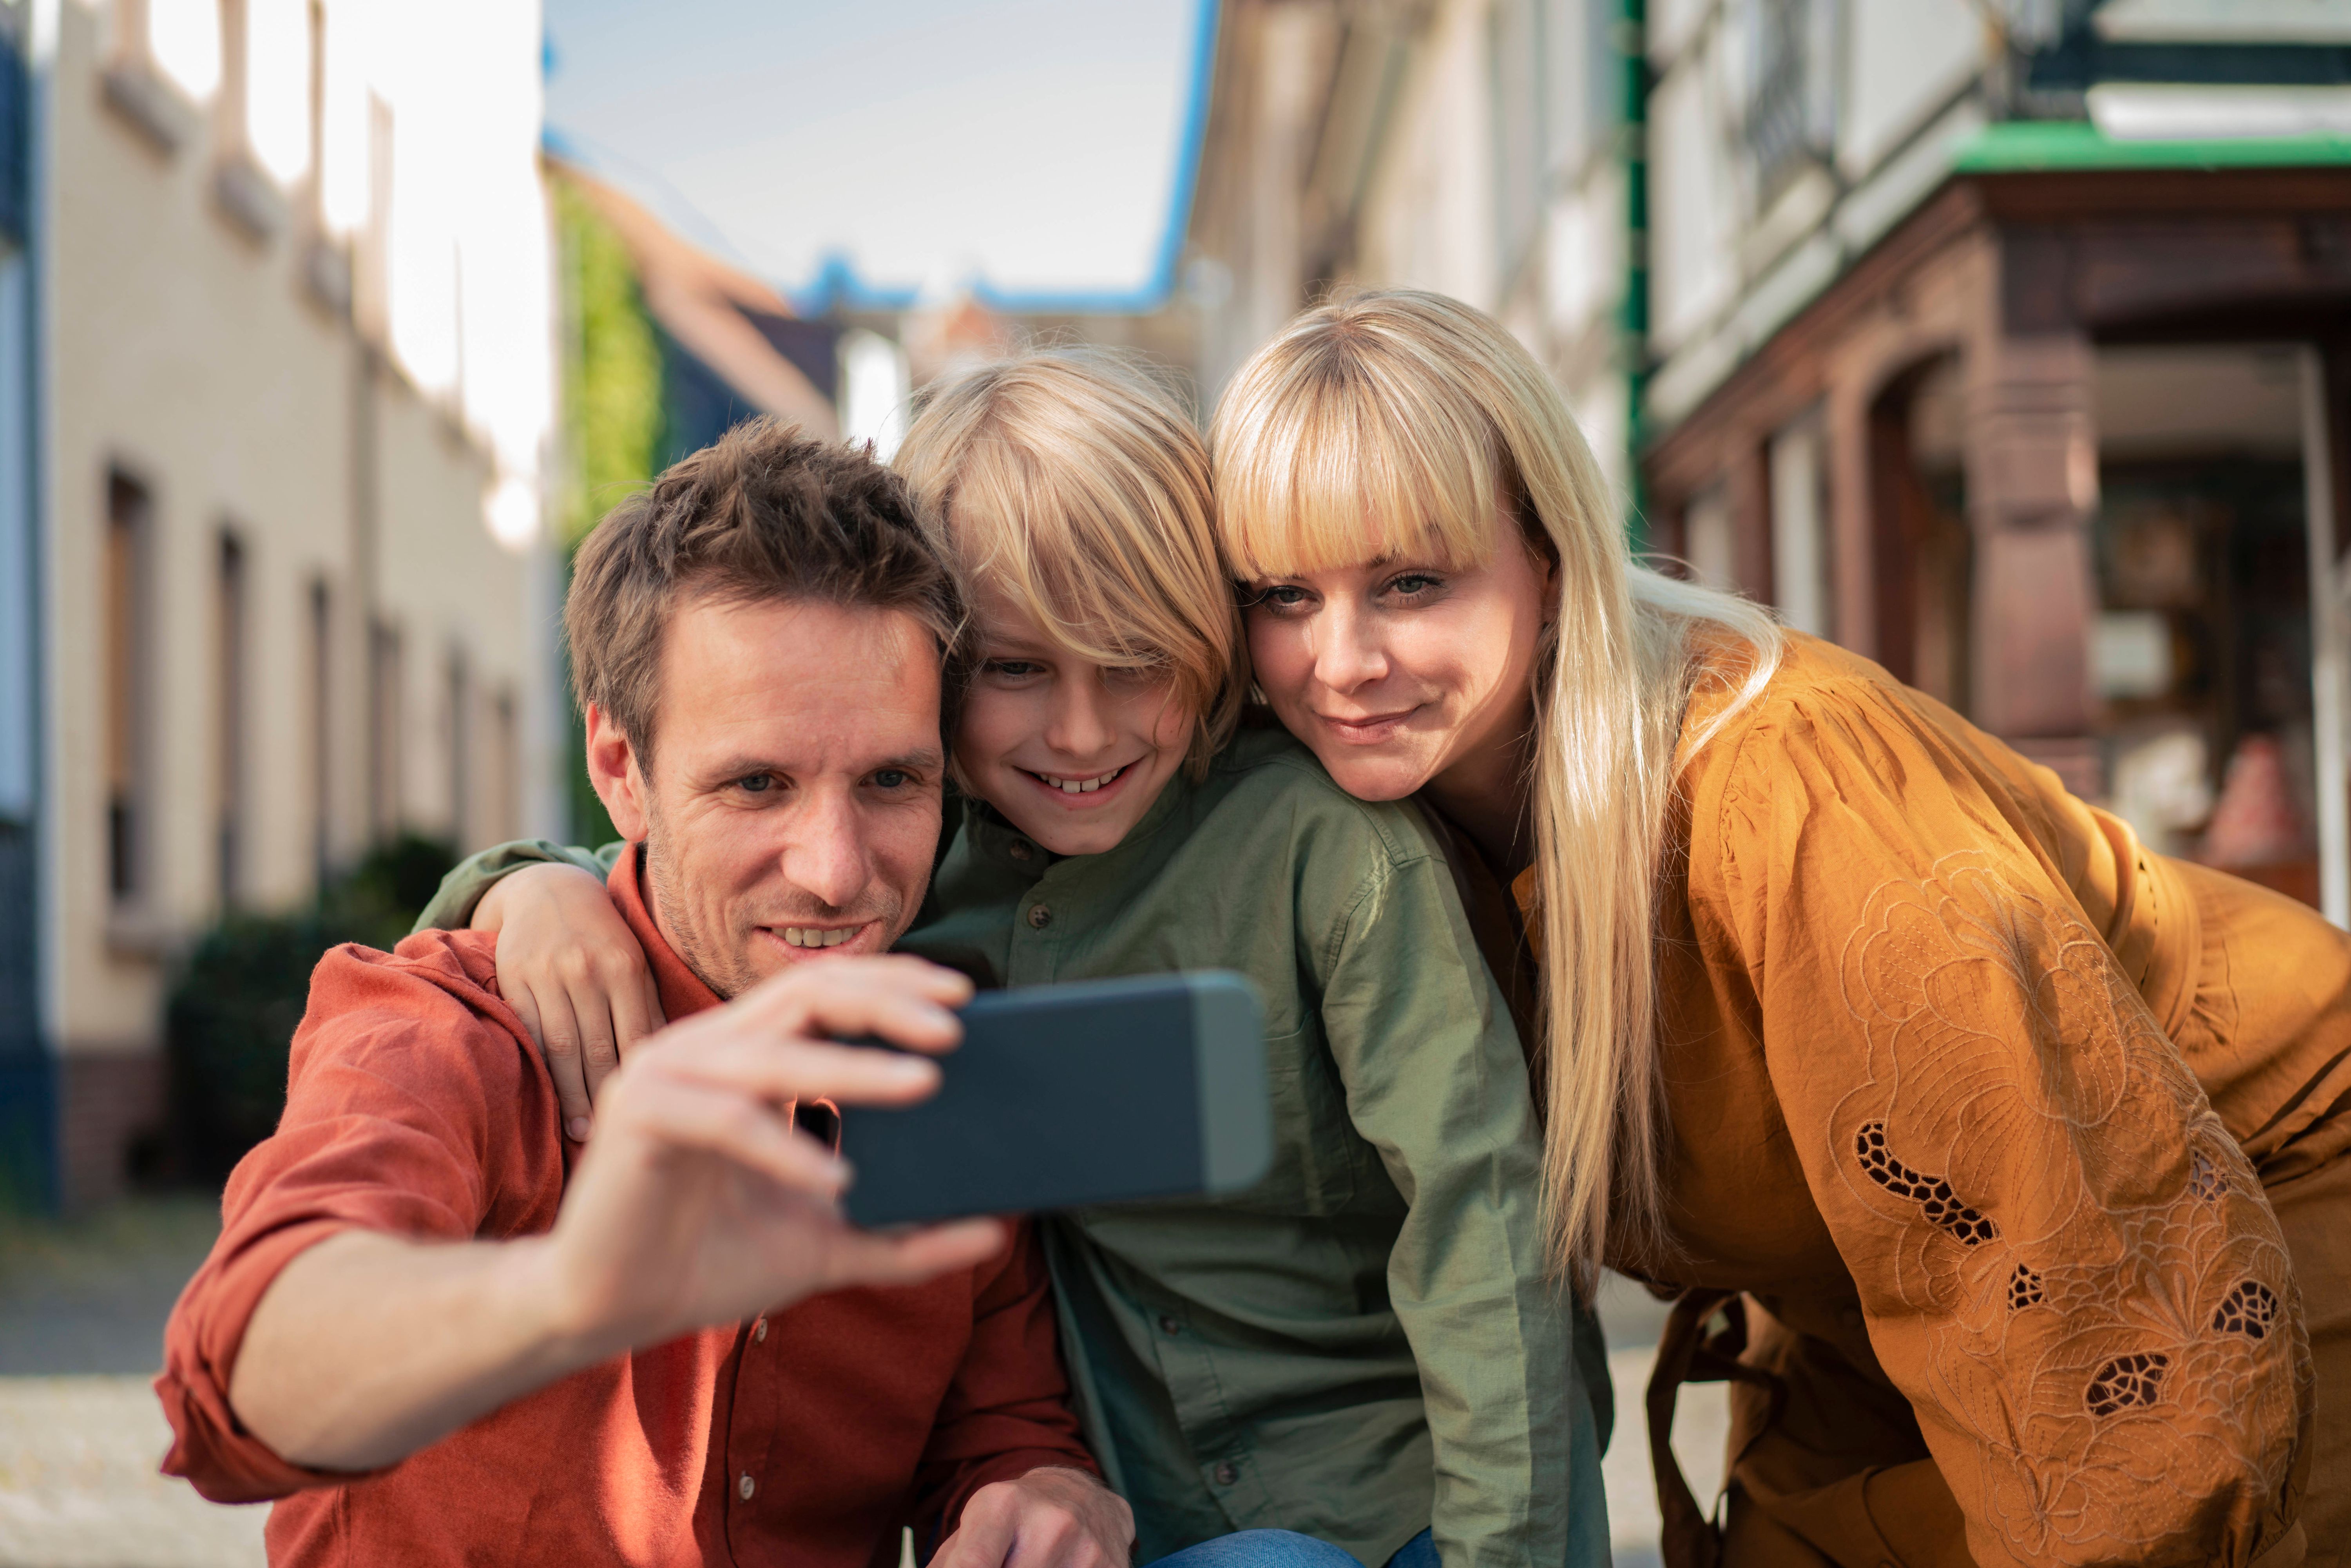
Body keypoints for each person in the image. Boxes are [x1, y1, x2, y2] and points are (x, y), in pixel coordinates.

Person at [1206, 288, 2347, 1568]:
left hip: (2237, 1202)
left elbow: (2058, 1275)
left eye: (1412, 580)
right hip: (1868, 1300)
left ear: (1548, 553)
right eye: (1285, 596)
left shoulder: (1784, 784)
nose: (1342, 659)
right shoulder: (1369, 821)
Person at [416, 351, 1610, 1568]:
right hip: (1133, 1516)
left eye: (1136, 658)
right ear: (930, 670)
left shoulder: (1329, 856)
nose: (1081, 733)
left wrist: (1505, 1556)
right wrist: (527, 885)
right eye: (1015, 669)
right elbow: (696, 863)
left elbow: (1487, 1229)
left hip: (1405, 1505)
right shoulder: (904, 866)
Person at [154, 424, 1135, 1568]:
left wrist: (1054, 1494)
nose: (834, 865)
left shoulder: (946, 1072)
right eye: (757, 783)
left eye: (890, 781)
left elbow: (1003, 1431)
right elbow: (248, 1370)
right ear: (620, 770)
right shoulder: (452, 1030)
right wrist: (562, 1296)